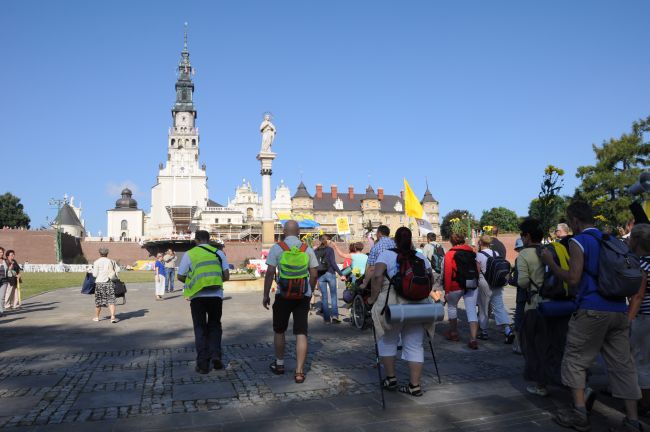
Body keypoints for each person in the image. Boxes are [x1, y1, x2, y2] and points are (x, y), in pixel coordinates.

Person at [542, 202, 642, 432]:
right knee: (622, 365)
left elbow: (573, 278)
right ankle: (632, 420)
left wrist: (551, 263)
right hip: (618, 309)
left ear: (575, 220)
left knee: (575, 361)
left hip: (592, 309)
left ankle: (579, 414)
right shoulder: (612, 239)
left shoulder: (580, 241)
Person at [369, 227, 434, 396]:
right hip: (418, 306)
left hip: (394, 305)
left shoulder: (386, 255)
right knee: (414, 344)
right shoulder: (419, 256)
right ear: (411, 239)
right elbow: (431, 277)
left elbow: (377, 276)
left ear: (395, 240)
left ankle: (391, 379)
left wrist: (372, 298)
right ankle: (415, 386)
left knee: (388, 340)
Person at [263, 220, 318, 384]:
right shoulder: (306, 248)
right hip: (302, 295)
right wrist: (310, 291)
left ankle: (279, 365)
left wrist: (266, 294)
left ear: (284, 231)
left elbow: (270, 272)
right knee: (301, 332)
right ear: (299, 232)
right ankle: (299, 372)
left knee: (279, 330)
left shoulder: (277, 248)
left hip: (283, 294)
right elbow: (314, 273)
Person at [178, 230, 230, 374]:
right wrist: (215, 279)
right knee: (215, 326)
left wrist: (193, 281)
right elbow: (226, 275)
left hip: (197, 297)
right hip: (216, 296)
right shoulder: (218, 253)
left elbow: (180, 275)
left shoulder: (190, 254)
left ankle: (203, 364)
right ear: (209, 239)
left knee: (200, 328)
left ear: (196, 240)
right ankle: (216, 355)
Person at [442, 233, 480, 349]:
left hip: (455, 285)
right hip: (471, 284)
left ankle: (453, 333)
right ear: (463, 241)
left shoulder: (449, 254)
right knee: (472, 310)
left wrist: (446, 291)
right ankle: (473, 339)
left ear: (451, 242)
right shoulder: (472, 252)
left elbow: (447, 273)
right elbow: (477, 269)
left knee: (452, 307)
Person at [628, 224, 650, 418]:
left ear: (636, 241)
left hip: (644, 317)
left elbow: (638, 295)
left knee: (641, 362)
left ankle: (645, 403)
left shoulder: (639, 264)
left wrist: (629, 319)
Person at [476, 234, 514, 343]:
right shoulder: (495, 253)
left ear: (480, 243)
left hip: (484, 283)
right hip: (496, 282)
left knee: (483, 308)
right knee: (499, 306)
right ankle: (507, 330)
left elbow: (477, 272)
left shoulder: (479, 255)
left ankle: (484, 332)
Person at [314, 235, 345, 324]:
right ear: (327, 241)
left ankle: (327, 319)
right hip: (330, 273)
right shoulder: (330, 250)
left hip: (320, 275)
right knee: (333, 295)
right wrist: (341, 274)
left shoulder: (316, 251)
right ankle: (335, 316)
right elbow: (333, 263)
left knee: (324, 296)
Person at [91, 247, 119, 323]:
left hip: (99, 283)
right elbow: (117, 270)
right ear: (107, 253)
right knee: (111, 300)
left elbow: (94, 274)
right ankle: (112, 317)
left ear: (100, 253)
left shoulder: (96, 262)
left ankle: (97, 317)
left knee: (98, 301)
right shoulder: (111, 261)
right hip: (109, 282)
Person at [511, 238, 525, 354]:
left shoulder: (519, 258)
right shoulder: (539, 254)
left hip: (522, 294)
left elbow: (517, 280)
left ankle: (519, 345)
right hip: (537, 294)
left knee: (519, 321)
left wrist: (509, 280)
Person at [0, 247, 8, 317]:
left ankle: (1, 311)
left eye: (2, 252)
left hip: (4, 281)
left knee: (2, 297)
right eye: (0, 252)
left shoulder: (5, 261)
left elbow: (9, 270)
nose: (1, 254)